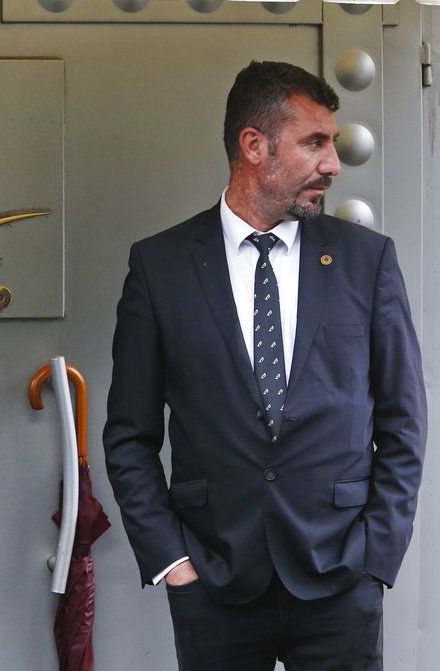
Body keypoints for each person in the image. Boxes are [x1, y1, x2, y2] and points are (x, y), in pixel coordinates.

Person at [103, 61, 426, 670]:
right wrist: (173, 562)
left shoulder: (366, 260)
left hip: (340, 581)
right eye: (315, 143)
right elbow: (129, 435)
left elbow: (404, 421)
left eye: (332, 143)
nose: (333, 163)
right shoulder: (160, 266)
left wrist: (375, 560)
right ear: (255, 145)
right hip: (213, 584)